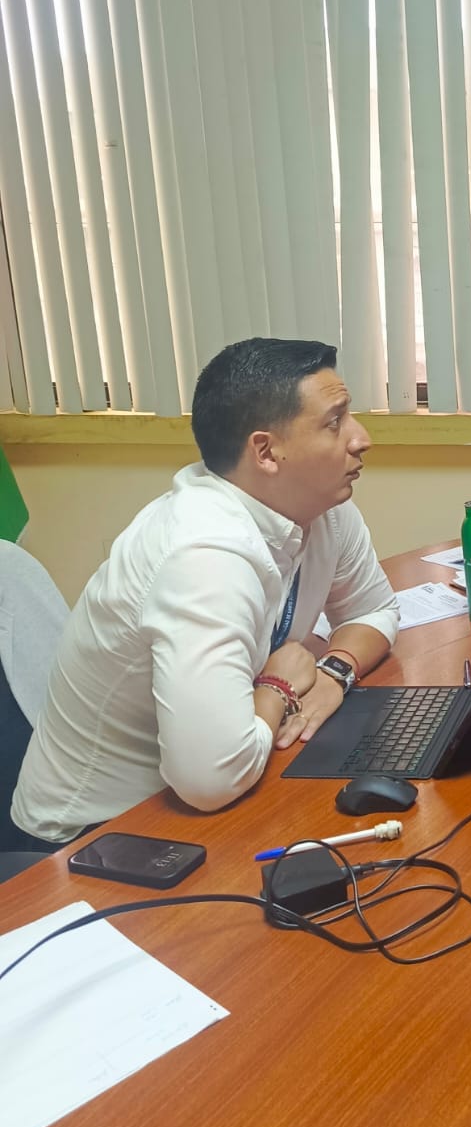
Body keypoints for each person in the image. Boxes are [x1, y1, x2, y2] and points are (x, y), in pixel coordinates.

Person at [11, 338, 399, 848]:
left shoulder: (322, 506)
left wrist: (334, 671)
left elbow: (375, 609)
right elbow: (210, 778)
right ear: (266, 452)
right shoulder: (202, 555)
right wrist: (279, 686)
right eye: (335, 422)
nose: (361, 438)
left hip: (210, 788)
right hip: (92, 836)